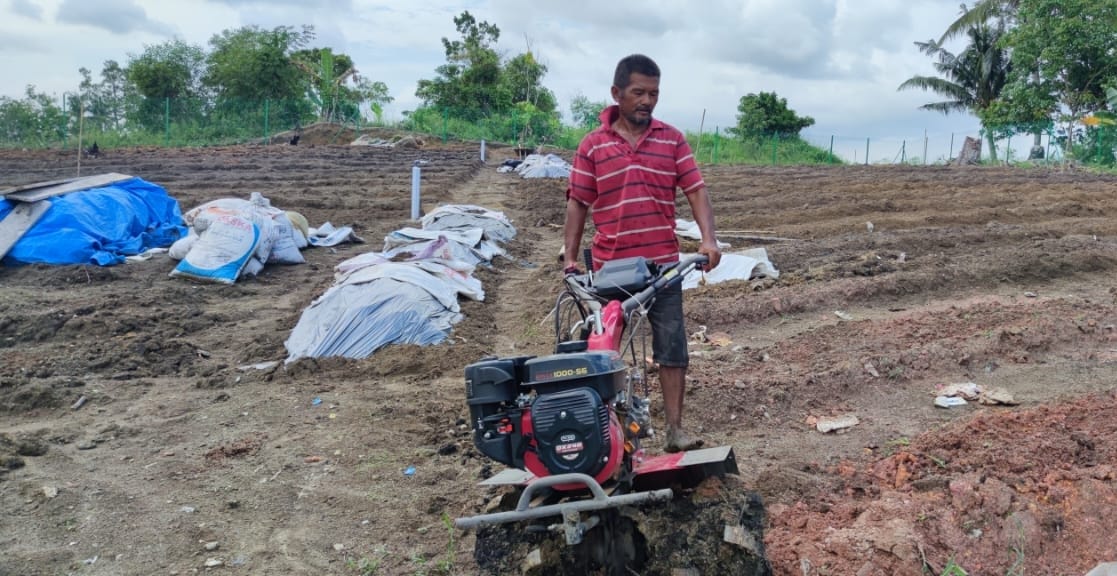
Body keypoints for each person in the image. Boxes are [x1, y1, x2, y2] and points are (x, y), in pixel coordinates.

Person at [563, 54, 721, 453]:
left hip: (662, 267)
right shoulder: (593, 145)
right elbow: (578, 202)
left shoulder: (672, 139)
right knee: (601, 350)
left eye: (654, 94)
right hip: (610, 269)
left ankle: (675, 431)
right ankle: (604, 436)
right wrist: (570, 259)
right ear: (617, 93)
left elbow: (695, 190)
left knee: (672, 347)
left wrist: (709, 239)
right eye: (638, 93)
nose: (647, 101)